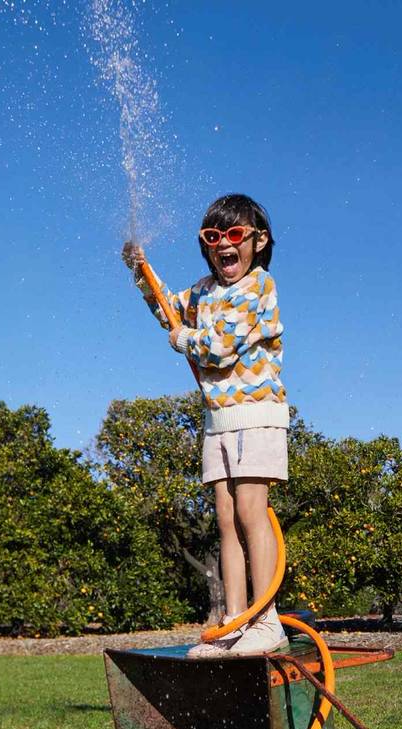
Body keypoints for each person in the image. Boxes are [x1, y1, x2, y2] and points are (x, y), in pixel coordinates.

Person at [122, 193, 289, 657]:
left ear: (258, 241)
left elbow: (218, 346)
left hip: (257, 414)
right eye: (214, 237)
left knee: (252, 513)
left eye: (235, 234)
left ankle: (266, 620)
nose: (224, 245)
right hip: (218, 420)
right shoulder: (202, 291)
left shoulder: (259, 286)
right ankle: (235, 622)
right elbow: (167, 311)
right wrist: (141, 271)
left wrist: (183, 338)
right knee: (226, 521)